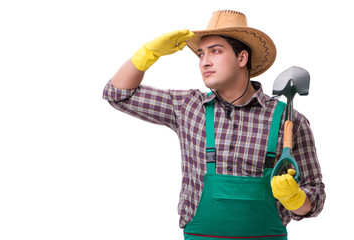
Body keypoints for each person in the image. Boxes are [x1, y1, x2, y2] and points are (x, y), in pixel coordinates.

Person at [103, 10, 325, 240]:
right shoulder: (188, 107)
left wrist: (296, 199)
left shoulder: (290, 120)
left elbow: (315, 197)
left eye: (215, 51)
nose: (204, 62)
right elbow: (117, 94)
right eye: (200, 54)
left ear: (242, 58)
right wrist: (148, 53)